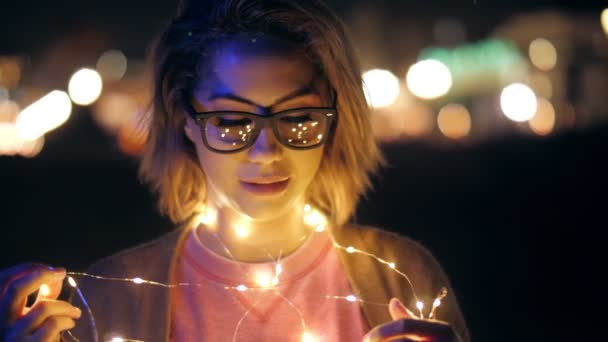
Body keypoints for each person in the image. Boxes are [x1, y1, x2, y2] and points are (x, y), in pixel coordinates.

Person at [0, 1, 470, 341]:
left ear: (334, 120)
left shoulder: (402, 279)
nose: (266, 151)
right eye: (230, 121)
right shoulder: (104, 304)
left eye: (298, 118)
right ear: (185, 120)